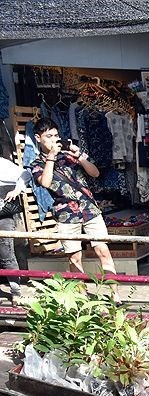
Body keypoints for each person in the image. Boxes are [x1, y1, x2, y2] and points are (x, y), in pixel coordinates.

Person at [31, 118, 121, 304]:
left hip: (90, 209)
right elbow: (46, 182)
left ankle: (115, 294)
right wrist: (52, 157)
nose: (54, 140)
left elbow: (95, 173)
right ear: (38, 138)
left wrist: (79, 154)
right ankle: (82, 296)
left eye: (56, 135)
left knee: (103, 250)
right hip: (66, 215)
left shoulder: (70, 156)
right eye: (49, 136)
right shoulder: (37, 164)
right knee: (74, 257)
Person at [0, 156, 27, 304]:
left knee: (7, 255)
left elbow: (25, 174)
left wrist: (17, 189)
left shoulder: (3, 164)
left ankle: (16, 292)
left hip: (3, 217)